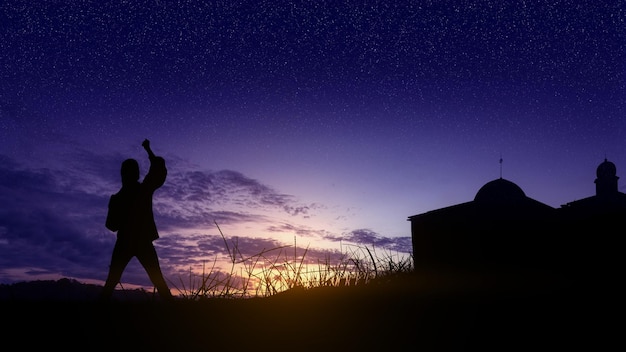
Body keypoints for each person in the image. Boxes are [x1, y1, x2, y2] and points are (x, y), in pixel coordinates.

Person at [100, 139, 173, 301]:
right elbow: (158, 170)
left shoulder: (117, 198)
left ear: (122, 175)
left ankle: (99, 310)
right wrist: (148, 150)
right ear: (136, 174)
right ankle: (174, 311)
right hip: (141, 241)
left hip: (126, 241)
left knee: (112, 280)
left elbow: (111, 225)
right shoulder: (142, 190)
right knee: (157, 279)